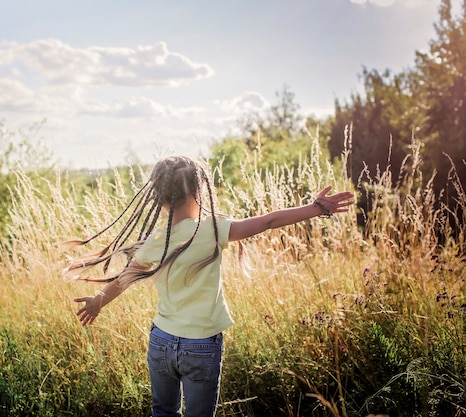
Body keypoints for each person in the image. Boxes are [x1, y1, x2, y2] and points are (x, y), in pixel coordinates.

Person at [66, 155, 354, 417]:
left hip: (161, 342)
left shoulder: (154, 241)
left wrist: (98, 302)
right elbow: (268, 222)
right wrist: (315, 209)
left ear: (161, 198)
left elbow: (122, 280)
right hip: (201, 344)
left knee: (162, 412)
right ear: (199, 190)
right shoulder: (213, 229)